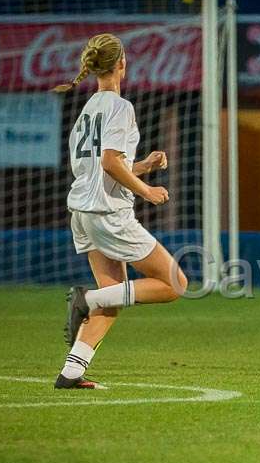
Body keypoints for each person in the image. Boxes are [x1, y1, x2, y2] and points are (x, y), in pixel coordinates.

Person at [51, 33, 188, 389]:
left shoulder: (87, 111)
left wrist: (142, 165)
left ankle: (71, 371)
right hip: (108, 213)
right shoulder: (120, 107)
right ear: (122, 64)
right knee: (174, 283)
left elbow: (101, 166)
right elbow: (111, 163)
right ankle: (86, 298)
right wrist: (148, 190)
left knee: (116, 292)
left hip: (82, 212)